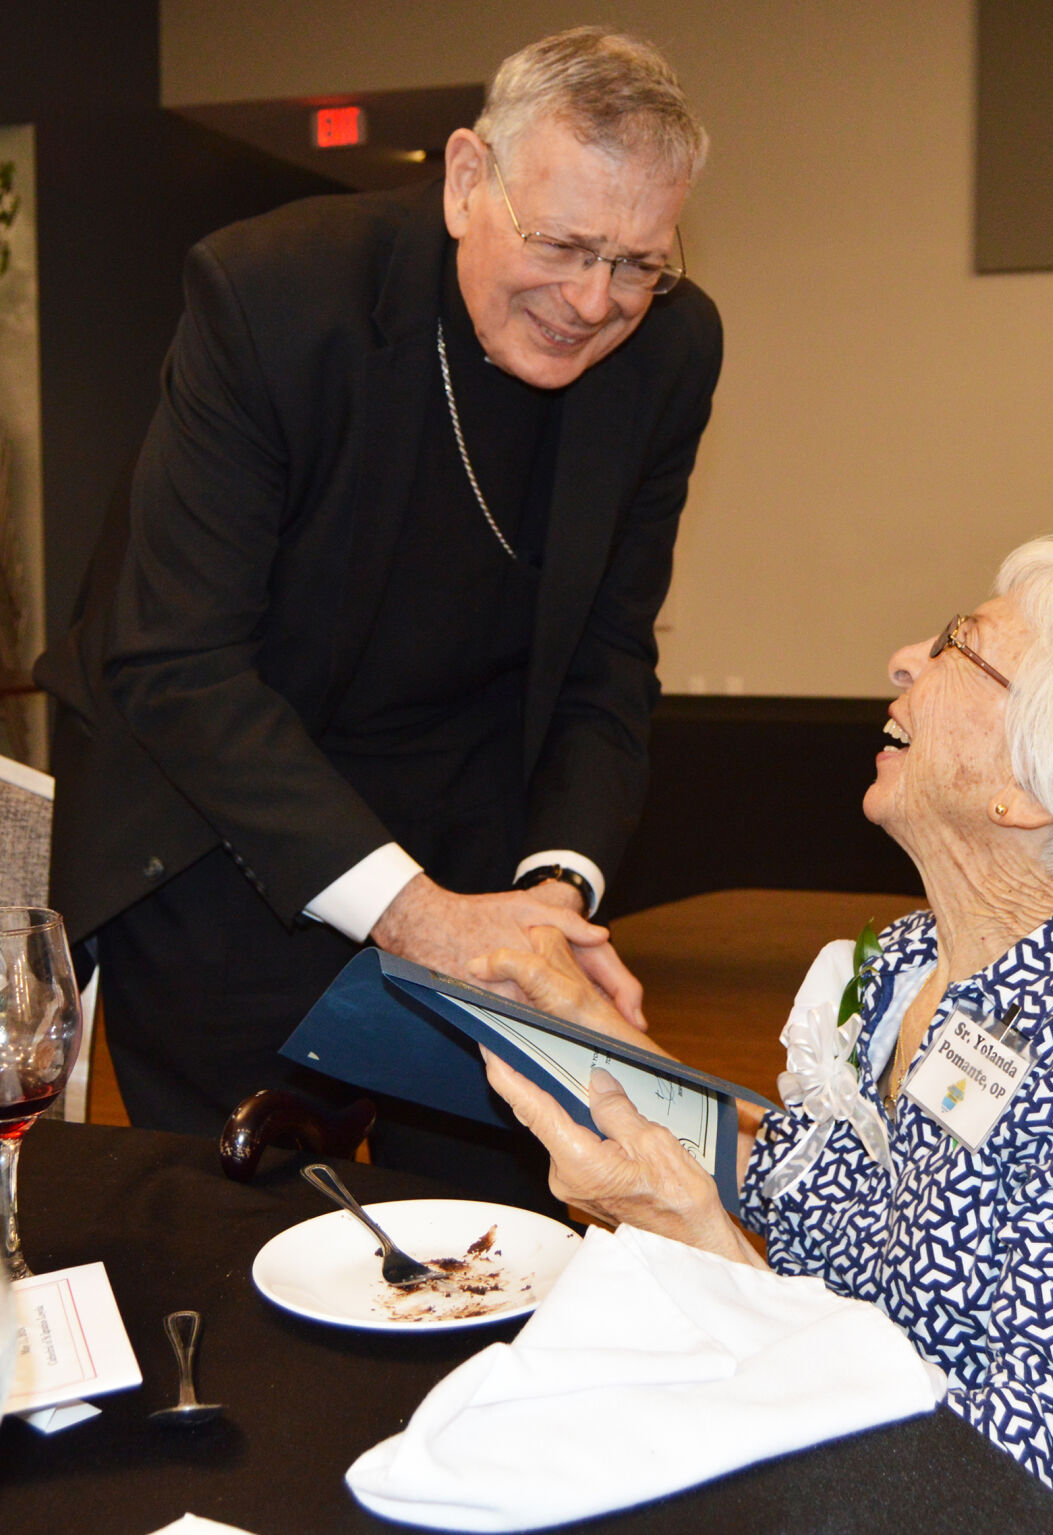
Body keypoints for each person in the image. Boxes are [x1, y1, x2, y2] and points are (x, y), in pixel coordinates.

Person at [475, 534, 1053, 1534]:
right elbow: (800, 1189)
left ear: (1028, 791)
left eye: (962, 644)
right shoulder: (921, 966)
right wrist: (586, 1027)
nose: (905, 656)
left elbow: (1016, 1496)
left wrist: (703, 1251)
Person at [34, 28, 721, 1202]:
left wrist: (552, 895)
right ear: (466, 180)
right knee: (240, 1233)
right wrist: (413, 915)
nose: (592, 300)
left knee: (495, 1232)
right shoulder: (272, 294)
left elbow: (609, 654)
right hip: (221, 841)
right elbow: (174, 657)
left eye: (635, 262)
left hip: (475, 840)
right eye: (561, 244)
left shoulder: (671, 348)